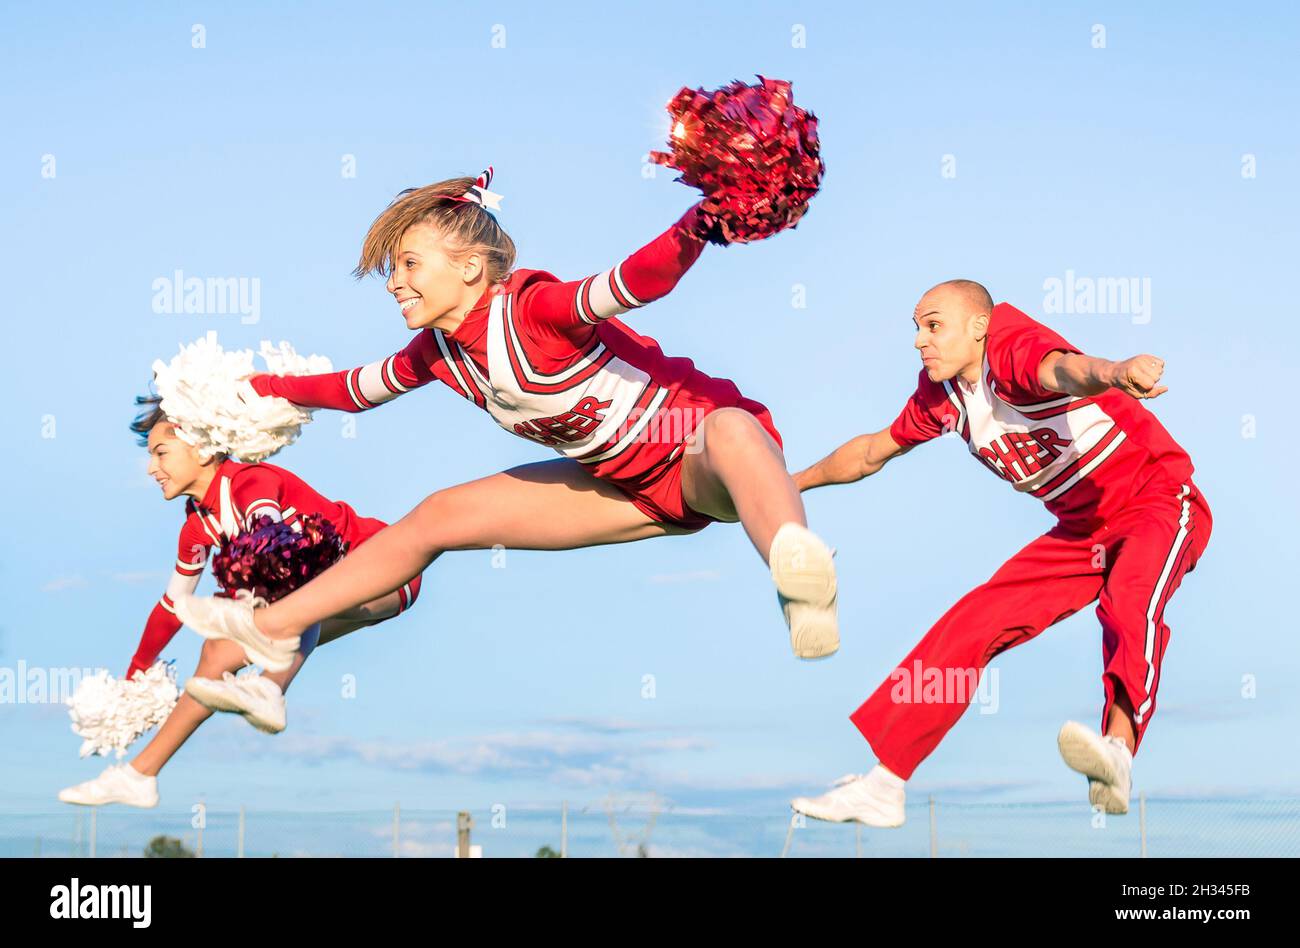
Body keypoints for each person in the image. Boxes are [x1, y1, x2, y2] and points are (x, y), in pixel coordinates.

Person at [175, 169, 840, 676]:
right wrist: (254, 386)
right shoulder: (436, 353)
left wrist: (704, 220)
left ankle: (800, 581)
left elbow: (639, 279)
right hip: (619, 486)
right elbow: (351, 392)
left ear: (468, 267)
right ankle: (271, 626)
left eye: (407, 265)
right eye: (391, 270)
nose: (393, 283)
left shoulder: (536, 310)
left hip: (697, 458)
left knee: (727, 427)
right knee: (437, 517)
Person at [789, 279, 1211, 826]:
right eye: (916, 328)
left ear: (979, 327)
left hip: (1157, 499)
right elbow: (872, 452)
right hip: (1083, 531)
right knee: (972, 621)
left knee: (1128, 601)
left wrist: (1113, 372)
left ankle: (1118, 750)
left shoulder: (1011, 351)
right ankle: (885, 783)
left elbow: (1064, 370)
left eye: (934, 325)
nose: (921, 340)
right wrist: (785, 483)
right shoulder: (941, 398)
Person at [58, 396, 422, 808]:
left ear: (202, 446)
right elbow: (173, 605)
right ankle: (139, 775)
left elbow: (280, 551)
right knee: (217, 653)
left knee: (283, 589)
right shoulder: (197, 525)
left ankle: (270, 689)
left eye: (161, 453)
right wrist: (134, 676)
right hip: (328, 589)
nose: (150, 468)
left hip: (386, 565)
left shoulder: (250, 482)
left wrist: (237, 607)